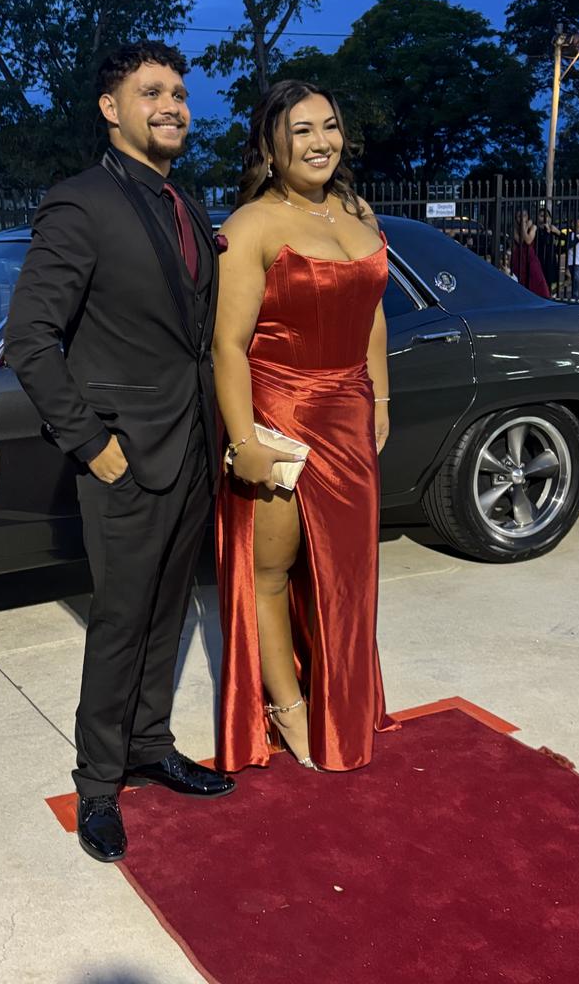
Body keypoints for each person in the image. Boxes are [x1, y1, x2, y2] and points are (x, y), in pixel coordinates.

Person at [4, 40, 234, 864]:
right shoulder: (81, 202)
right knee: (119, 621)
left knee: (166, 613)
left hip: (194, 447)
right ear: (112, 109)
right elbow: (29, 340)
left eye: (179, 91)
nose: (172, 105)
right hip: (126, 456)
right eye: (152, 93)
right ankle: (99, 782)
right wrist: (93, 445)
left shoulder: (184, 202)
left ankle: (149, 743)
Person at [212, 80, 399, 774]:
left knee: (349, 574)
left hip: (350, 412)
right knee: (272, 570)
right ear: (270, 145)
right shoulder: (251, 225)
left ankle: (345, 694)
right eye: (301, 131)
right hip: (279, 415)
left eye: (329, 126)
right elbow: (227, 345)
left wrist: (379, 399)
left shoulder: (358, 211)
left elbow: (374, 312)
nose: (320, 141)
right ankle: (286, 705)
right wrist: (244, 441)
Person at [510, 210, 551, 299]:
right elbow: (520, 241)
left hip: (530, 257)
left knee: (536, 279)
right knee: (520, 280)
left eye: (524, 215)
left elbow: (528, 240)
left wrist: (525, 227)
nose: (522, 218)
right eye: (519, 216)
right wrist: (524, 227)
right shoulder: (513, 229)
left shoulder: (533, 227)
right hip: (519, 258)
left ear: (528, 216)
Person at [536, 209, 562, 294]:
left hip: (551, 259)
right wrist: (547, 232)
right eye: (542, 216)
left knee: (550, 282)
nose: (545, 218)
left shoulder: (552, 229)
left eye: (547, 216)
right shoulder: (536, 229)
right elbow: (544, 242)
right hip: (540, 259)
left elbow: (566, 240)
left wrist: (558, 232)